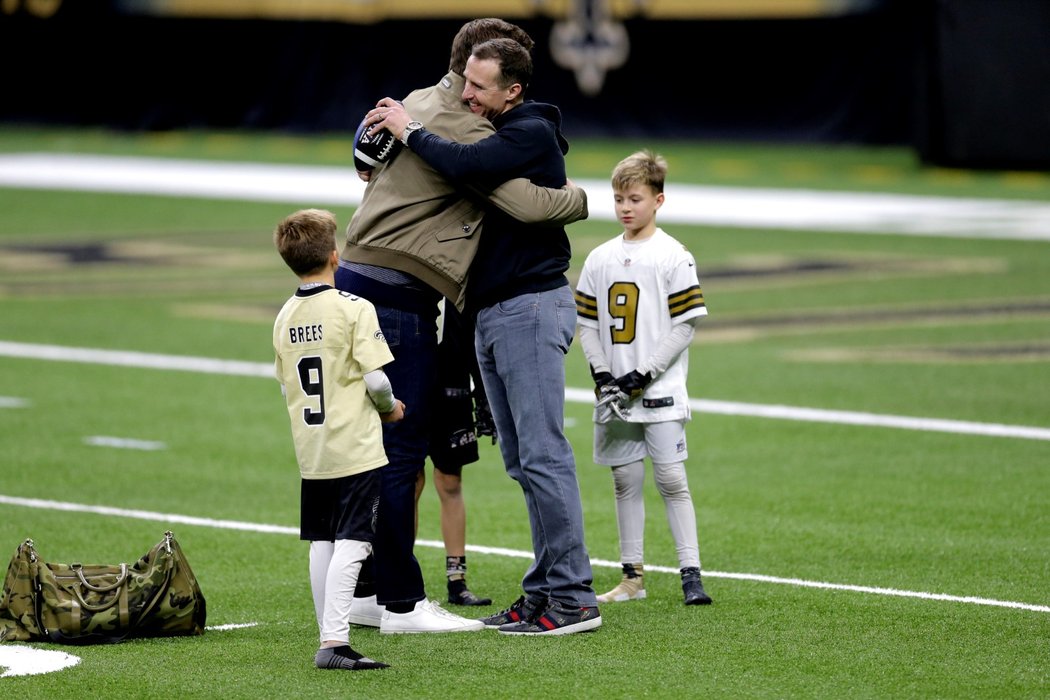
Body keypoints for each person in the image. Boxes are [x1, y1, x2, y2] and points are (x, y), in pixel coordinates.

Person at [338, 18, 588, 635]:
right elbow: (511, 193)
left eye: (482, 85)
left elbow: (511, 193)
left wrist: (580, 200)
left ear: (514, 89)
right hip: (474, 305)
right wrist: (575, 198)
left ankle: (569, 597)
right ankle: (535, 591)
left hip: (523, 305)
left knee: (536, 454)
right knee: (516, 459)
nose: (470, 93)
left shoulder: (486, 123)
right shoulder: (459, 114)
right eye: (467, 81)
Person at [574, 150, 714, 606]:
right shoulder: (600, 257)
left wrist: (644, 373)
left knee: (672, 479)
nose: (625, 207)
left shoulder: (673, 255)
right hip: (616, 391)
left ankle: (690, 572)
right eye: (618, 198)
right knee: (624, 481)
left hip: (659, 390)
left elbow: (685, 324)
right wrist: (601, 372)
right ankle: (632, 576)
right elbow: (589, 324)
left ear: (658, 200)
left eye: (634, 198)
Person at [271, 208, 405, 671]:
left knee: (321, 540)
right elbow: (378, 381)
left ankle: (327, 629)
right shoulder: (353, 307)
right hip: (354, 445)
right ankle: (334, 640)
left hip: (313, 447)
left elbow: (287, 385)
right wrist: (392, 410)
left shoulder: (284, 316)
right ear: (335, 255)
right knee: (355, 538)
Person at [414, 297, 493, 607]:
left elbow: (473, 334)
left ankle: (457, 580)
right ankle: (402, 575)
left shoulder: (459, 280)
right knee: (411, 480)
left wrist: (483, 394)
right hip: (413, 385)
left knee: (450, 481)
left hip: (453, 389)